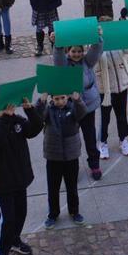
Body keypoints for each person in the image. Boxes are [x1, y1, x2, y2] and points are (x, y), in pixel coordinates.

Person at [0, 97, 43, 255]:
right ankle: (1, 251)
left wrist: (29, 110)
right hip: (4, 181)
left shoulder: (17, 121)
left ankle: (14, 240)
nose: (10, 111)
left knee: (21, 213)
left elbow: (34, 129)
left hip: (20, 178)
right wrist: (4, 119)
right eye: (5, 109)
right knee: (7, 218)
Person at [53, 39, 104, 179]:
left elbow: (96, 49)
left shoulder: (87, 62)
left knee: (90, 137)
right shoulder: (64, 64)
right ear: (68, 52)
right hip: (70, 108)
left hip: (87, 106)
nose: (77, 54)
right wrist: (57, 43)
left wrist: (98, 38)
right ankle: (71, 169)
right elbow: (57, 57)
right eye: (73, 51)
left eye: (79, 51)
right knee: (70, 140)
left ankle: (94, 165)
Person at [36, 91, 88, 229]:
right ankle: (53, 214)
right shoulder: (48, 110)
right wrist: (41, 101)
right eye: (56, 98)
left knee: (72, 186)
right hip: (53, 156)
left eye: (63, 98)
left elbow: (82, 113)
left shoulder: (73, 108)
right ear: (52, 99)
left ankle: (74, 211)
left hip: (71, 156)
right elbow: (37, 116)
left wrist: (78, 100)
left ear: (68, 97)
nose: (60, 101)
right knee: (53, 187)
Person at [94, 33, 128, 158]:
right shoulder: (96, 44)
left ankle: (123, 140)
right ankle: (103, 142)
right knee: (104, 118)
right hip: (105, 91)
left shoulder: (118, 42)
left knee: (121, 116)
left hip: (121, 87)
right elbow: (93, 57)